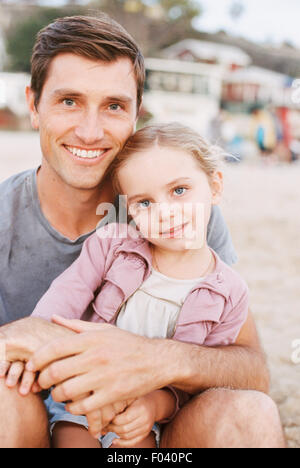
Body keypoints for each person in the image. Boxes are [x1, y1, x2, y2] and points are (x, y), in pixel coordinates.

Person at [0, 15, 285, 448]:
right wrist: (21, 334)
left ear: (136, 113)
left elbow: (250, 368)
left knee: (250, 413)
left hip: (149, 432)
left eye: (114, 105)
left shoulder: (180, 217)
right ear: (34, 105)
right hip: (43, 424)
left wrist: (155, 359)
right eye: (69, 101)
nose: (91, 131)